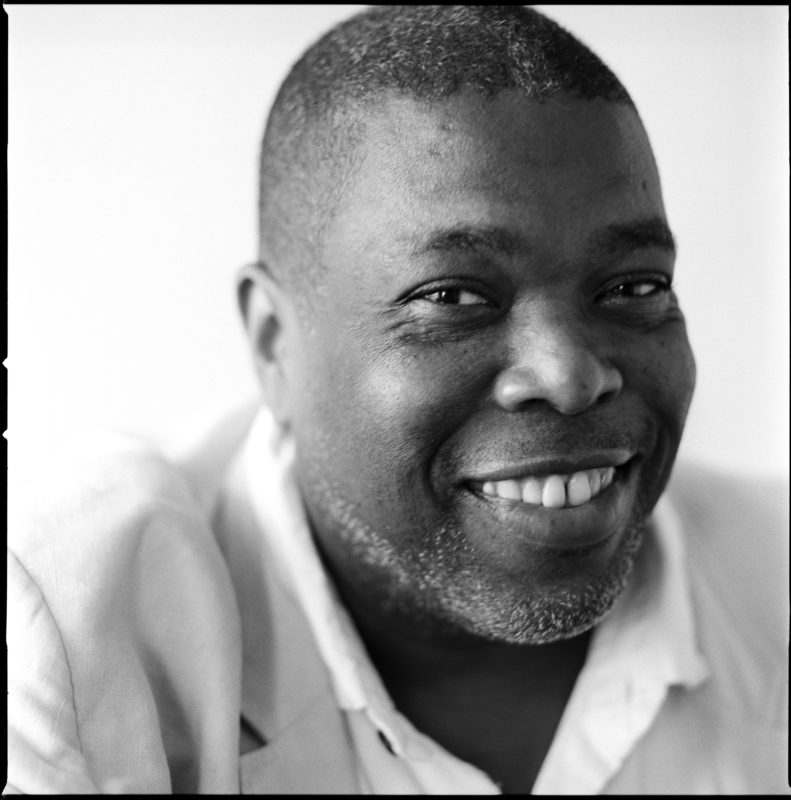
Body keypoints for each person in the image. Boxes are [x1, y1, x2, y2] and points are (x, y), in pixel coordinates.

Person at [6, 5, 788, 795]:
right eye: (451, 296)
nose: (568, 375)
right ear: (275, 342)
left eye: (634, 285)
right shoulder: (67, 638)